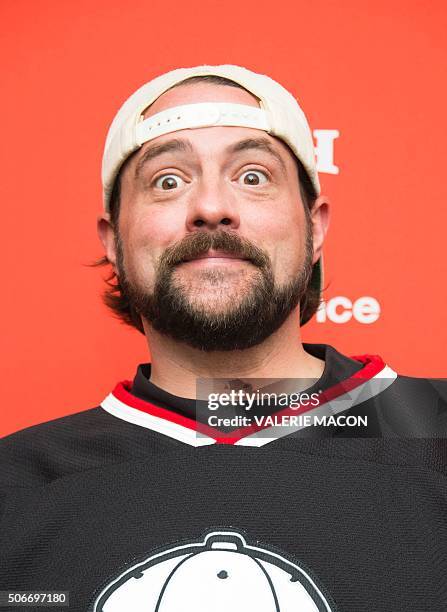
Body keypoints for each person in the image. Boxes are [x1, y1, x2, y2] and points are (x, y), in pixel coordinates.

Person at [0, 65, 446, 612]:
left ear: (316, 228)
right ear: (113, 240)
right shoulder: (14, 486)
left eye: (253, 175)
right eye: (168, 181)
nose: (212, 207)